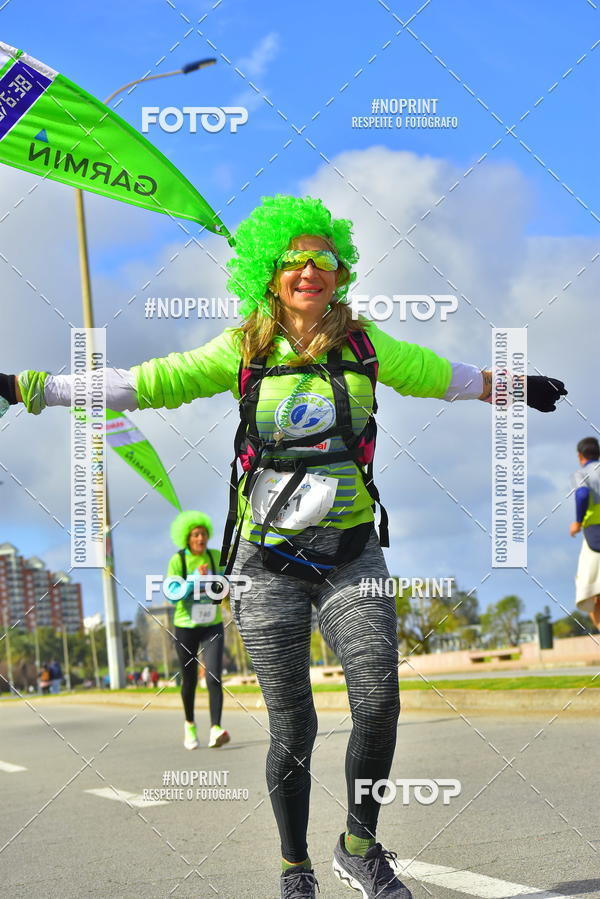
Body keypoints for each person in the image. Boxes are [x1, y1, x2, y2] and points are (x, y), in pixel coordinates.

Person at [1, 194, 567, 898]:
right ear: (269, 273)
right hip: (266, 565)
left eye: (323, 258)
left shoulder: (365, 345)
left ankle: (359, 847)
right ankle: (294, 865)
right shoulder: (241, 350)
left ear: (340, 270)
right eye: (294, 260)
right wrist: (28, 387)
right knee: (293, 722)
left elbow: (445, 376)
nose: (309, 270)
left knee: (379, 698)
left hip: (352, 553)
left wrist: (518, 386)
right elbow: (140, 384)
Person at [166, 510, 230, 750]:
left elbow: (226, 586)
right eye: (195, 535)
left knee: (214, 676)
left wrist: (219, 582)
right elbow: (173, 594)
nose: (200, 538)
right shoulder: (178, 561)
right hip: (186, 627)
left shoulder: (214, 557)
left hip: (211, 625)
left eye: (203, 534)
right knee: (189, 680)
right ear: (187, 538)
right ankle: (190, 725)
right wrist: (193, 579)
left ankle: (216, 728)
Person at [570, 437, 600, 629]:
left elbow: (582, 494)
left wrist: (577, 522)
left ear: (580, 456)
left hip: (594, 536)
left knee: (590, 592)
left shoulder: (581, 474)